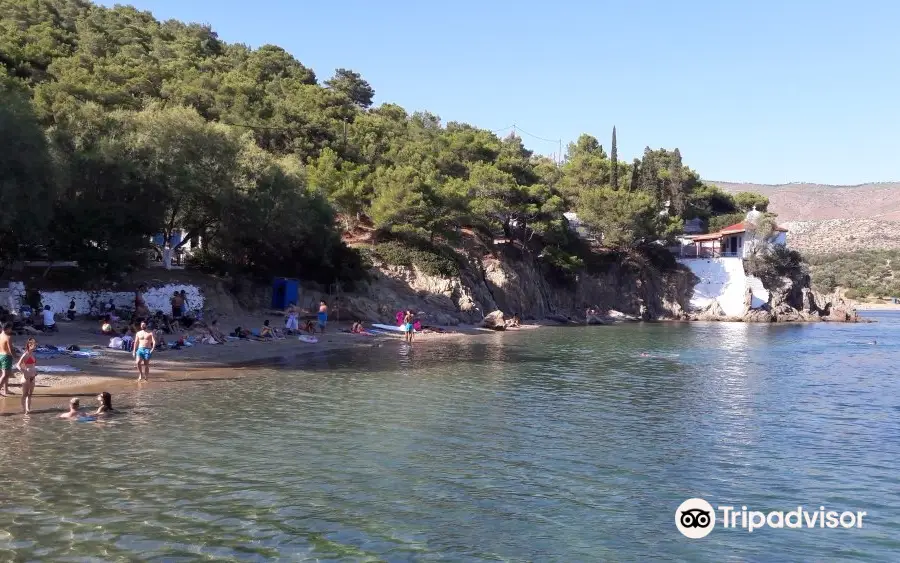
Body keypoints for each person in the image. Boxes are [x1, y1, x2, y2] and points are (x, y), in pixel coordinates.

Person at [16, 337, 37, 414]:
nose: (35, 346)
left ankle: (28, 409)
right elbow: (17, 365)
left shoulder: (33, 354)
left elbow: (33, 365)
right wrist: (24, 371)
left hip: (33, 376)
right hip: (26, 377)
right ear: (29, 345)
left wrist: (35, 372)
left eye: (35, 344)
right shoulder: (25, 354)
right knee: (25, 394)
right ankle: (23, 409)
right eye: (34, 344)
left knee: (30, 394)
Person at [0, 322, 14, 397]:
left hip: (0, 355)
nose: (11, 330)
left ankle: (6, 390)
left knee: (4, 374)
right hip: (6, 356)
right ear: (8, 328)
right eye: (11, 328)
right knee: (5, 374)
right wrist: (16, 356)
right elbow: (11, 349)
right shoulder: (8, 337)